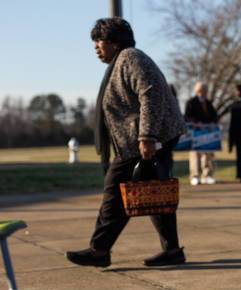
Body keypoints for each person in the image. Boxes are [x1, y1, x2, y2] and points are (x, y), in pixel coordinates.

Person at [66, 17, 186, 268]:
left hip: (146, 140)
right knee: (153, 192)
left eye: (99, 42)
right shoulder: (121, 62)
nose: (96, 48)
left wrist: (147, 136)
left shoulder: (131, 58)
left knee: (114, 191)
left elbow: (150, 94)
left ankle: (99, 250)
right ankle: (171, 250)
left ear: (114, 41)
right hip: (144, 139)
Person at [184, 82, 219, 185]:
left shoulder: (208, 103)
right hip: (195, 132)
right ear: (197, 91)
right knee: (195, 155)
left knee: (208, 154)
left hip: (207, 132)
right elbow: (187, 116)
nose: (202, 92)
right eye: (200, 90)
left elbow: (214, 116)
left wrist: (213, 123)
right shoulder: (191, 102)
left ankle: (207, 175)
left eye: (204, 90)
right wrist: (195, 123)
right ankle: (195, 176)